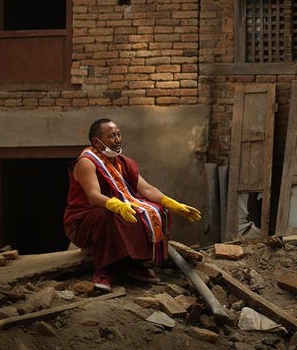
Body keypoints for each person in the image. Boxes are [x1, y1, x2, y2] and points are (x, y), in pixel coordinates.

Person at [63, 118, 202, 291]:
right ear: (97, 141)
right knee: (106, 214)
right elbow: (93, 196)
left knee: (153, 210)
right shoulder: (86, 162)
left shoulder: (123, 162)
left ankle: (134, 264)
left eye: (119, 134)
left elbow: (146, 189)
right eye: (111, 136)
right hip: (82, 222)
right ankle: (104, 271)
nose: (118, 140)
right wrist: (118, 206)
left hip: (113, 213)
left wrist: (171, 203)